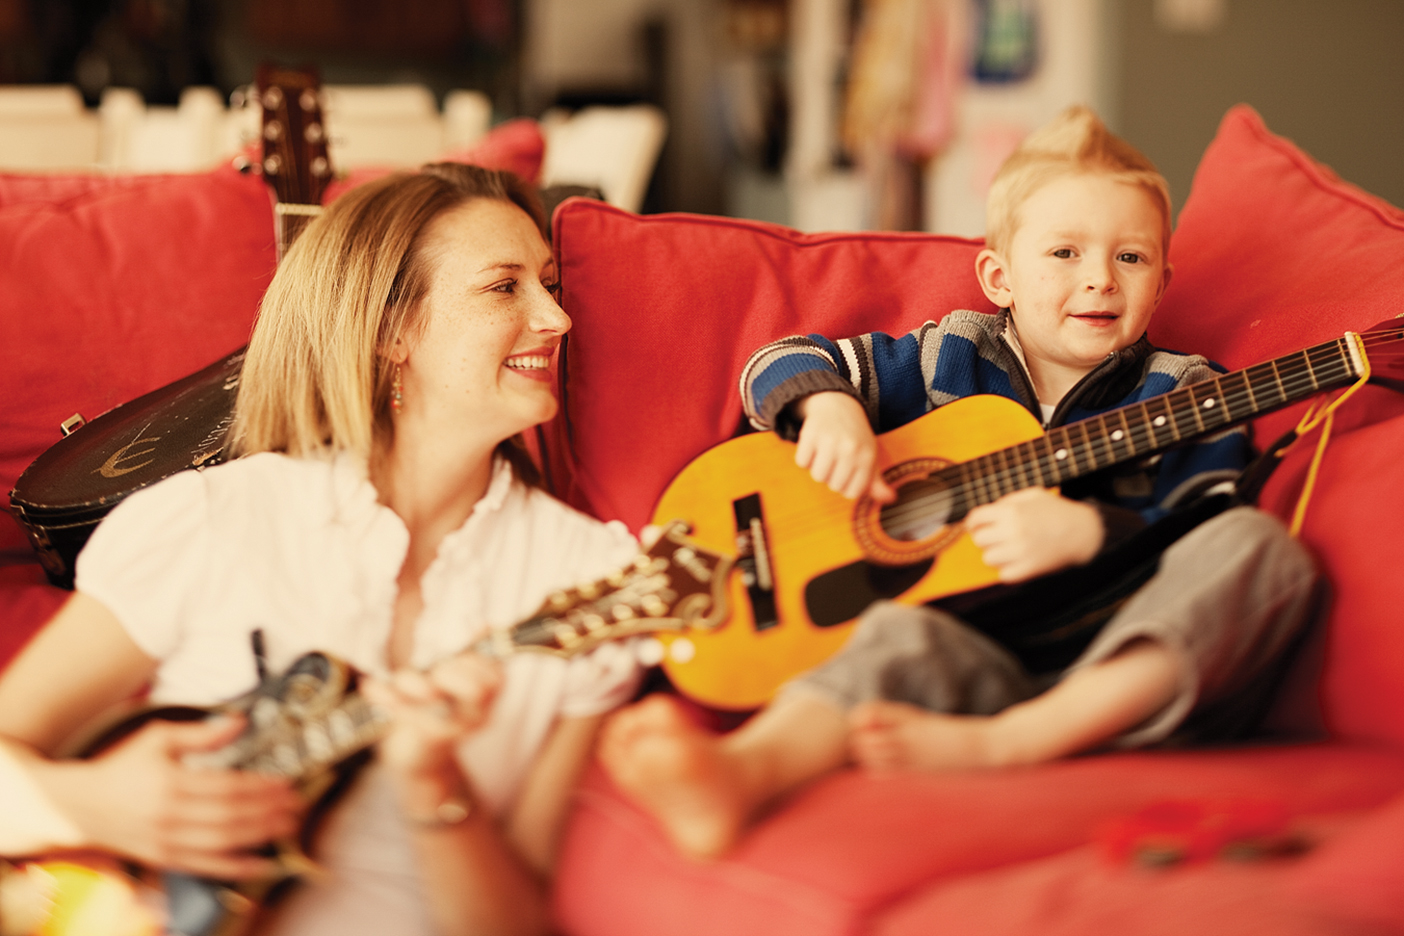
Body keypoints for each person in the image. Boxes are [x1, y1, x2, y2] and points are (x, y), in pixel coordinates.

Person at [598, 106, 1319, 860]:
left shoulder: (1184, 388)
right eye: (1065, 253)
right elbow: (772, 361)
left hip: (1121, 664)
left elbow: (1208, 511)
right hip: (968, 660)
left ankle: (1013, 743)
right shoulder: (951, 355)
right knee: (889, 634)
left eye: (1131, 259)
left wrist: (1094, 534)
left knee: (1262, 548)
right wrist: (828, 406)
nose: (1100, 279)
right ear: (999, 277)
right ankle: (740, 774)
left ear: (1162, 281)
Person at [0, 164, 643, 936]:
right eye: (504, 287)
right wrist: (99, 803)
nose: (556, 319)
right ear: (390, 331)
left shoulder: (592, 578)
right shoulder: (215, 521)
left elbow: (516, 924)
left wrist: (435, 786)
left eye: (549, 284)